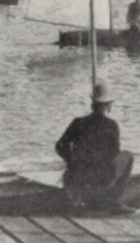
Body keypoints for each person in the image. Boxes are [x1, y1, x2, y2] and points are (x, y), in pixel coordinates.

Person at [55, 81, 135, 212]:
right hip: (102, 177)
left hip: (78, 175)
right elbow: (114, 153)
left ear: (93, 103)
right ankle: (116, 201)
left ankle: (79, 197)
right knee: (128, 156)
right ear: (108, 105)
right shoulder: (111, 125)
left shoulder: (78, 122)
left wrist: (72, 160)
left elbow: (60, 146)